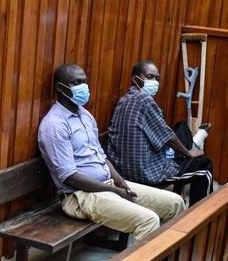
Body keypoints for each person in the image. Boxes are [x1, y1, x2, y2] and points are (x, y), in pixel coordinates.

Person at [37, 63, 186, 241]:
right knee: (148, 221)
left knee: (176, 203)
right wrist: (113, 191)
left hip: (107, 185)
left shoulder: (85, 116)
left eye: (84, 82)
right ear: (60, 88)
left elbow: (101, 156)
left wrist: (120, 183)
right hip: (80, 196)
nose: (83, 87)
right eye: (76, 83)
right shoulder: (54, 124)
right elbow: (69, 176)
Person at [107, 61, 213, 206]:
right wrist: (188, 153)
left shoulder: (124, 100)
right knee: (204, 166)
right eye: (150, 77)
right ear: (135, 79)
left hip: (122, 168)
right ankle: (199, 217)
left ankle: (191, 145)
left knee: (181, 127)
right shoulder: (144, 100)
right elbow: (168, 136)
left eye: (157, 78)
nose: (155, 82)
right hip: (144, 173)